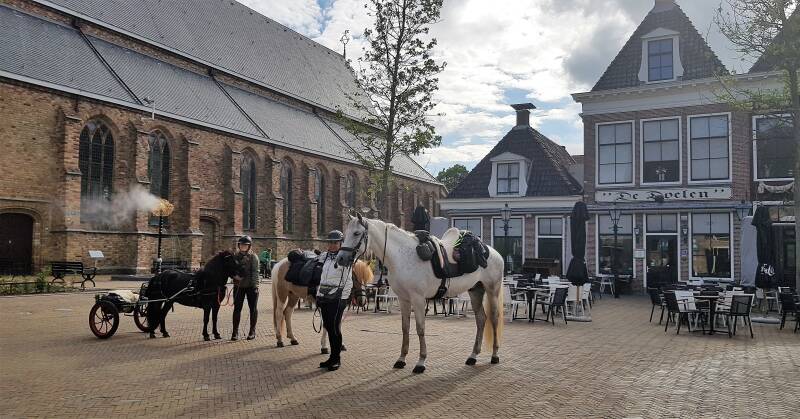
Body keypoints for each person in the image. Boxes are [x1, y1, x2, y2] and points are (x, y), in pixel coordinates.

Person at [316, 230, 351, 371]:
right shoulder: (325, 257)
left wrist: (343, 299)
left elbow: (348, 281)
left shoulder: (345, 259)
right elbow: (322, 278)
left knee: (335, 328)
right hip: (324, 297)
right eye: (330, 242)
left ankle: (336, 359)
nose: (332, 245)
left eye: (335, 242)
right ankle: (331, 357)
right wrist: (318, 295)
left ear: (341, 243)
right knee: (329, 327)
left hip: (337, 298)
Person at [232, 235, 259, 341]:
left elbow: (255, 272)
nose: (243, 246)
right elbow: (232, 270)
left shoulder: (253, 257)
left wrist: (255, 285)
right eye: (242, 245)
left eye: (245, 245)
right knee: (237, 309)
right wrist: (235, 277)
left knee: (253, 309)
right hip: (239, 286)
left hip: (251, 286)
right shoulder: (235, 256)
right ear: (239, 245)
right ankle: (235, 332)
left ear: (249, 246)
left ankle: (252, 331)